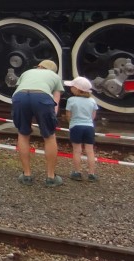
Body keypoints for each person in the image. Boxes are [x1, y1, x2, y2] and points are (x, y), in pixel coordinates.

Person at [12, 58, 66, 186]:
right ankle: (51, 177)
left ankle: (26, 175)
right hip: (42, 97)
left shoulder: (27, 72)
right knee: (49, 136)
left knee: (23, 134)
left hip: (20, 96)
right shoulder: (54, 76)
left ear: (39, 66)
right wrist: (51, 119)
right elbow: (56, 99)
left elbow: (21, 88)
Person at [65, 76, 99, 182]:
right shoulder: (92, 101)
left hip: (76, 126)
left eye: (72, 86)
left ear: (77, 89)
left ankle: (77, 172)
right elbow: (93, 115)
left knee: (77, 150)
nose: (70, 88)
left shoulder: (71, 100)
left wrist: (71, 122)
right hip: (89, 127)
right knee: (90, 151)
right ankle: (92, 174)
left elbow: (68, 115)